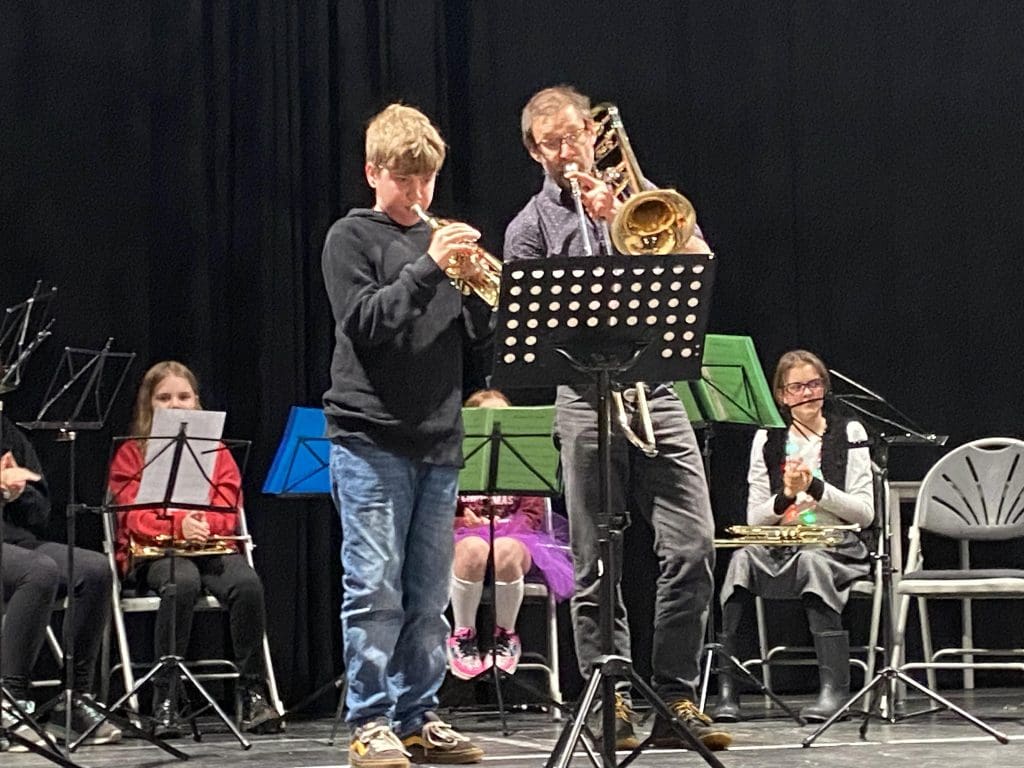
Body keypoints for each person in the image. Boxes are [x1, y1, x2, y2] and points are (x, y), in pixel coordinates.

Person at [503, 84, 730, 751]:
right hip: (583, 398)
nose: (569, 150)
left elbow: (699, 264)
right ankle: (615, 697)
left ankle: (678, 694)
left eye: (576, 135)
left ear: (591, 135)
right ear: (534, 150)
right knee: (593, 558)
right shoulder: (528, 230)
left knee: (692, 546)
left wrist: (620, 219)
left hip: (656, 392)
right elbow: (535, 339)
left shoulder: (639, 195)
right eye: (554, 142)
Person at [322, 103, 492, 768]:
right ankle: (370, 721)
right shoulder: (351, 238)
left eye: (427, 181)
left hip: (439, 441)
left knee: (428, 595)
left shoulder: (440, 239)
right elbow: (367, 322)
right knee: (374, 588)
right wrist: (431, 266)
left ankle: (419, 715)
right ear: (373, 172)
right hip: (369, 439)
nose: (419, 194)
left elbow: (469, 341)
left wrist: (477, 293)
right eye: (404, 179)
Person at [106, 361, 281, 736]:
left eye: (184, 396)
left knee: (247, 584)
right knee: (180, 582)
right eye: (164, 397)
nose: (176, 404)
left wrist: (202, 526)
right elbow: (133, 516)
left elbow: (228, 507)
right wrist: (177, 525)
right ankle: (166, 698)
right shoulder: (132, 454)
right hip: (156, 553)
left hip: (209, 547)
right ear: (149, 405)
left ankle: (252, 692)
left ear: (197, 402)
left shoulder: (215, 451)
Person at [714, 350, 874, 722]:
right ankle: (727, 692)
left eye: (814, 384)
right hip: (782, 545)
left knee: (814, 561)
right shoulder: (767, 440)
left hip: (836, 546)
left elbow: (865, 513)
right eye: (797, 387)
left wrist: (815, 487)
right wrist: (785, 495)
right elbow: (755, 517)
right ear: (782, 396)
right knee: (739, 560)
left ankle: (834, 690)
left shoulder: (848, 431)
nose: (808, 393)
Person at [1, 413, 121, 749]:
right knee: (38, 571)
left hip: (18, 541)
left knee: (94, 570)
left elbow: (40, 512)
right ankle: (9, 700)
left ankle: (74, 701)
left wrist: (17, 493)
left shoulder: (7, 431)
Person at [446, 389, 573, 680]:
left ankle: (506, 635)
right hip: (466, 539)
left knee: (504, 549)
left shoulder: (521, 460)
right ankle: (464, 634)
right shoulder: (459, 457)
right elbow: (441, 509)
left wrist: (507, 526)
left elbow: (532, 514)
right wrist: (462, 521)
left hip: (515, 538)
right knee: (474, 548)